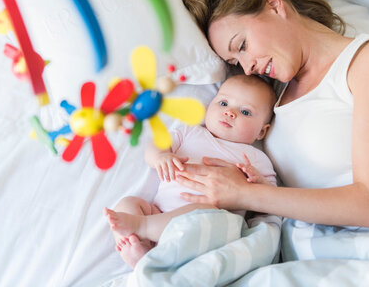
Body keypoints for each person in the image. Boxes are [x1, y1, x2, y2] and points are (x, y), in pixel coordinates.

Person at [154, 0, 369, 229]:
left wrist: (246, 194)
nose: (246, 66)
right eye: (236, 61)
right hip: (303, 251)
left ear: (274, 5)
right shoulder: (268, 92)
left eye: (243, 45)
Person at [104, 74, 277, 268]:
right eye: (223, 103)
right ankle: (141, 250)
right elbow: (156, 146)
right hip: (159, 213)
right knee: (128, 204)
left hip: (208, 225)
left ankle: (141, 228)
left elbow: (271, 198)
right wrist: (160, 157)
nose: (230, 112)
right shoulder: (190, 133)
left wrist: (257, 181)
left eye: (245, 112)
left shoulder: (255, 157)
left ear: (261, 132)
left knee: (205, 210)